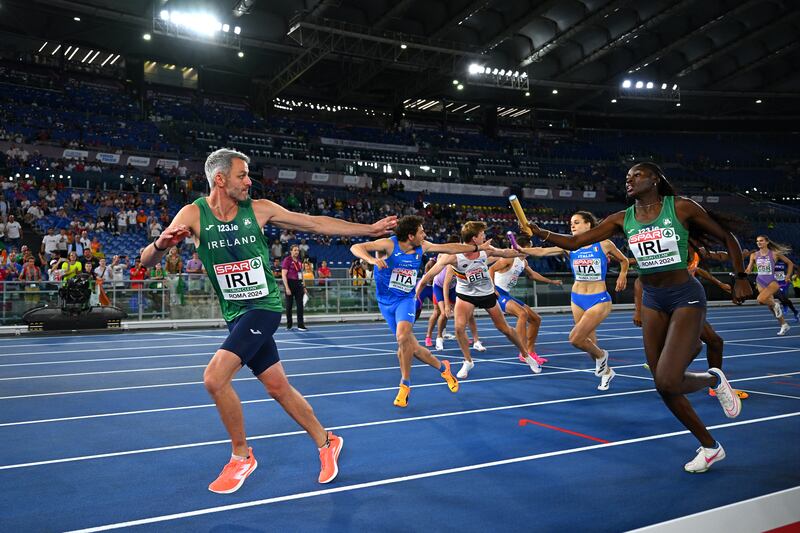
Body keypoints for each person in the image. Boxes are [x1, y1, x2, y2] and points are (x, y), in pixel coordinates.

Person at [142, 148, 396, 493]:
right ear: (220, 179)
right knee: (277, 387)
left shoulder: (260, 209)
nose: (249, 181)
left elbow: (315, 222)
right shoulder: (193, 214)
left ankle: (241, 456)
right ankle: (326, 441)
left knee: (215, 379)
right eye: (242, 175)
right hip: (236, 314)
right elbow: (148, 259)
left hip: (264, 306)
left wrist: (368, 228)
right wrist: (161, 243)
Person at [521, 162, 752, 473]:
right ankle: (710, 447)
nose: (628, 180)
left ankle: (714, 378)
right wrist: (541, 232)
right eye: (626, 177)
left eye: (636, 176)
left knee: (669, 378)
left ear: (654, 179)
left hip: (685, 295)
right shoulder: (622, 219)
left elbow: (727, 237)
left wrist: (739, 276)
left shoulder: (681, 208)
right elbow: (576, 242)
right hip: (655, 300)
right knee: (663, 385)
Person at [351, 215, 502, 407]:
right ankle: (443, 368)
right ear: (411, 235)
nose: (425, 234)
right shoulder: (389, 245)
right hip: (385, 303)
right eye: (422, 231)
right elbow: (355, 247)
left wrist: (477, 248)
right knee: (411, 348)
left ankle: (404, 385)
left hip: (405, 299)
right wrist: (371, 260)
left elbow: (450, 247)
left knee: (402, 338)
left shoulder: (424, 246)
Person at [416, 221, 541, 380]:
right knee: (459, 328)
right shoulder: (454, 256)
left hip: (486, 293)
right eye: (482, 234)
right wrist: (417, 295)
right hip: (465, 295)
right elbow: (429, 276)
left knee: (504, 329)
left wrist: (520, 251)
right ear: (474, 238)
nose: (485, 236)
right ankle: (468, 361)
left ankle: (526, 355)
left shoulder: (485, 250)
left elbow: (505, 253)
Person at [519, 211, 628, 390]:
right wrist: (522, 250)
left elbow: (624, 261)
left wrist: (622, 275)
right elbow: (542, 251)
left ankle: (602, 356)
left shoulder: (604, 243)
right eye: (571, 223)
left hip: (599, 298)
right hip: (577, 298)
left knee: (576, 339)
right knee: (589, 341)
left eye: (576, 222)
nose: (572, 226)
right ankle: (606, 372)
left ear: (588, 225)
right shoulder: (569, 246)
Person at [633, 245, 749, 400]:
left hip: (685, 304)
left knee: (711, 343)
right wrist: (638, 310)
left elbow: (704, 267)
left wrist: (723, 278)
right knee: (706, 343)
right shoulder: (672, 250)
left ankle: (667, 372)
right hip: (667, 305)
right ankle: (668, 374)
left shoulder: (697, 251)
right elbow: (639, 281)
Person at [491, 234, 562, 368]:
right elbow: (491, 269)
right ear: (524, 248)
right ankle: (523, 353)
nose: (530, 252)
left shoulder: (523, 262)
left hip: (506, 294)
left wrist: (551, 281)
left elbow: (533, 275)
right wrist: (492, 288)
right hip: (498, 293)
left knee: (536, 319)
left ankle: (531, 352)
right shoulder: (509, 259)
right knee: (522, 313)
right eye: (529, 248)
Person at [745, 235, 794, 335]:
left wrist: (788, 275)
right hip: (760, 281)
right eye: (757, 241)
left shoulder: (774, 254)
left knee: (760, 299)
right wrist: (744, 273)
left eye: (761, 241)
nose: (759, 243)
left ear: (767, 242)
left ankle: (776, 304)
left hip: (772, 281)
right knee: (770, 307)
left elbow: (790, 263)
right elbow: (749, 269)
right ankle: (784, 325)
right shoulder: (754, 255)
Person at [281, 244, 307, 331]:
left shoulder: (299, 261)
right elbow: (284, 275)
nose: (297, 252)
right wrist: (287, 287)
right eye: (295, 250)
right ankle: (289, 325)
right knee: (289, 306)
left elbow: (301, 275)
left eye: (298, 250)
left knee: (300, 305)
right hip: (290, 283)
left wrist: (304, 286)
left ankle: (300, 325)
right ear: (291, 251)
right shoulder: (287, 260)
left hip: (299, 284)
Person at [773, 257, 799, 322]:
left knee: (782, 297)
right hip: (774, 283)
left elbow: (796, 267)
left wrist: (789, 275)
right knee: (782, 297)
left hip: (783, 282)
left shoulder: (784, 261)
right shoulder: (770, 262)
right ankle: (795, 311)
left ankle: (786, 306)